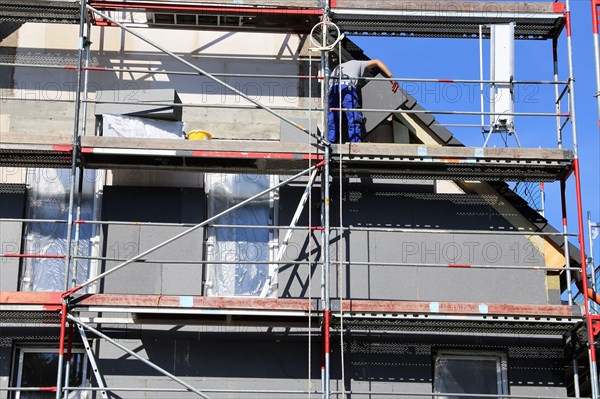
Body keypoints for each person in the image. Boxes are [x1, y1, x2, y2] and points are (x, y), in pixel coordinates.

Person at [328, 59, 399, 143]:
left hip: (332, 90)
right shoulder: (359, 63)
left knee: (333, 119)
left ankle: (330, 145)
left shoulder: (338, 67)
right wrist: (392, 79)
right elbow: (377, 62)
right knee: (353, 117)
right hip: (347, 87)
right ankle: (355, 144)